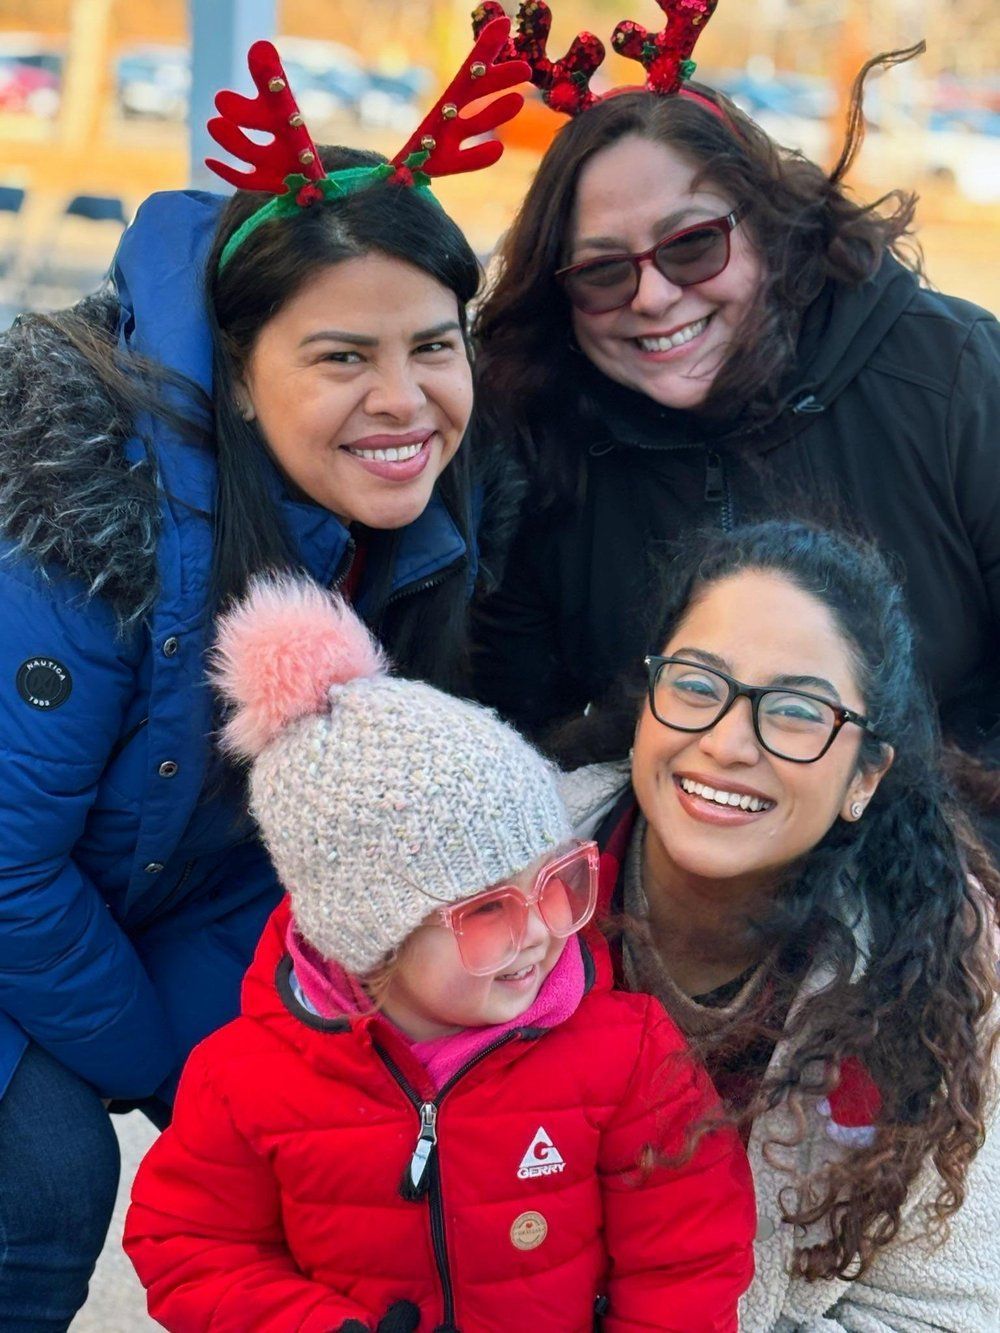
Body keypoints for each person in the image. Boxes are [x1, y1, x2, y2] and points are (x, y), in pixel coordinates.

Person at [0, 25, 527, 1328]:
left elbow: (252, 854)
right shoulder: (78, 507)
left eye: (433, 344)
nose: (404, 399)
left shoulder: (410, 527)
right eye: (342, 356)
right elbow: (7, 862)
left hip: (162, 905)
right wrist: (187, 1069)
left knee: (356, 1160)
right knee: (45, 1176)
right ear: (239, 377)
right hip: (29, 895)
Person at [123, 575, 756, 1332]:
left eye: (556, 881)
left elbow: (686, 1257)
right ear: (371, 937)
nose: (539, 932)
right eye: (487, 908)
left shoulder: (626, 1056)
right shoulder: (247, 1080)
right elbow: (188, 1241)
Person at [470, 14, 1000, 796]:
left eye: (692, 246)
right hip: (669, 881)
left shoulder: (951, 376)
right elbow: (507, 738)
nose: (652, 297)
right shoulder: (541, 432)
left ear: (771, 228)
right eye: (603, 272)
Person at [554, 520, 1000, 1331]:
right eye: (695, 684)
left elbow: (944, 1310)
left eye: (795, 710)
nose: (725, 741)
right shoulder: (509, 870)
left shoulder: (938, 965)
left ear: (866, 775)